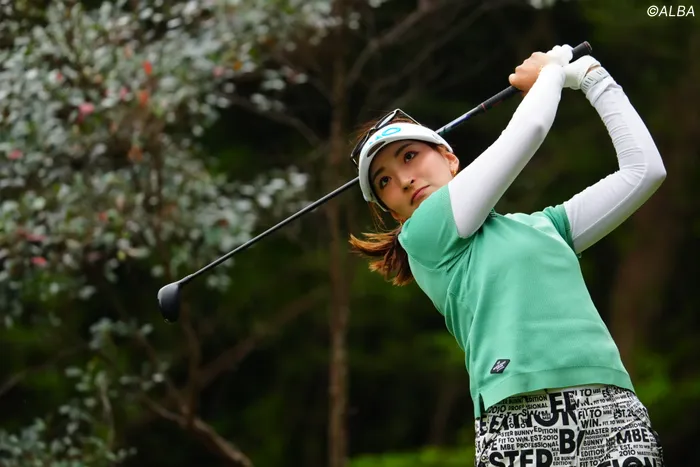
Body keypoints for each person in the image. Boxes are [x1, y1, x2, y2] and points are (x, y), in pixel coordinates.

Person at [348, 45, 666, 466]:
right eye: (385, 181)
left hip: (612, 407)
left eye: (410, 156)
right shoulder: (422, 236)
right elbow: (530, 128)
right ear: (393, 212)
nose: (404, 180)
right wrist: (552, 72)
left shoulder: (547, 226)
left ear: (450, 158)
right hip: (517, 417)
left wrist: (592, 78)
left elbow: (644, 171)